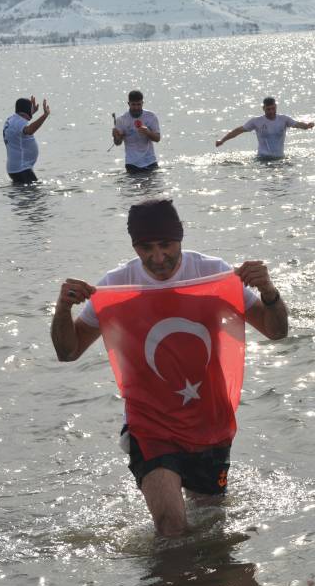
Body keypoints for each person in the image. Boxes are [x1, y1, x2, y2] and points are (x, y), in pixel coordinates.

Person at [50, 199, 288, 536]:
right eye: (146, 248)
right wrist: (63, 309)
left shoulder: (212, 274)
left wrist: (268, 291)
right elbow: (68, 352)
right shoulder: (117, 286)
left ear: (180, 238)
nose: (158, 257)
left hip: (209, 423)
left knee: (212, 530)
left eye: (166, 245)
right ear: (134, 246)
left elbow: (276, 332)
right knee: (171, 527)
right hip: (150, 426)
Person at [215, 96, 314, 160]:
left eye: (273, 108)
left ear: (276, 107)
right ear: (263, 108)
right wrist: (222, 140)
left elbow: (297, 124)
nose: (271, 112)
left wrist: (307, 126)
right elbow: (238, 131)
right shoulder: (256, 121)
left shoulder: (284, 119)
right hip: (262, 159)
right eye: (268, 109)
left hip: (280, 159)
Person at [3, 96, 50, 183]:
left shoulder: (12, 119)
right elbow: (30, 130)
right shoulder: (19, 123)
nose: (32, 111)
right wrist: (45, 115)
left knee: (22, 191)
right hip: (22, 169)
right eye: (30, 109)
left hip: (16, 168)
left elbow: (23, 121)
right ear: (26, 110)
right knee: (35, 191)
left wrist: (31, 112)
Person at [112, 90, 161, 172]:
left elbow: (157, 138)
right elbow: (118, 142)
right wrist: (116, 136)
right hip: (132, 164)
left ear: (142, 103)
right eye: (133, 104)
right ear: (128, 104)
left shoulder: (151, 116)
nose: (136, 108)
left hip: (150, 161)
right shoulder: (121, 120)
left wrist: (148, 132)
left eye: (139, 104)